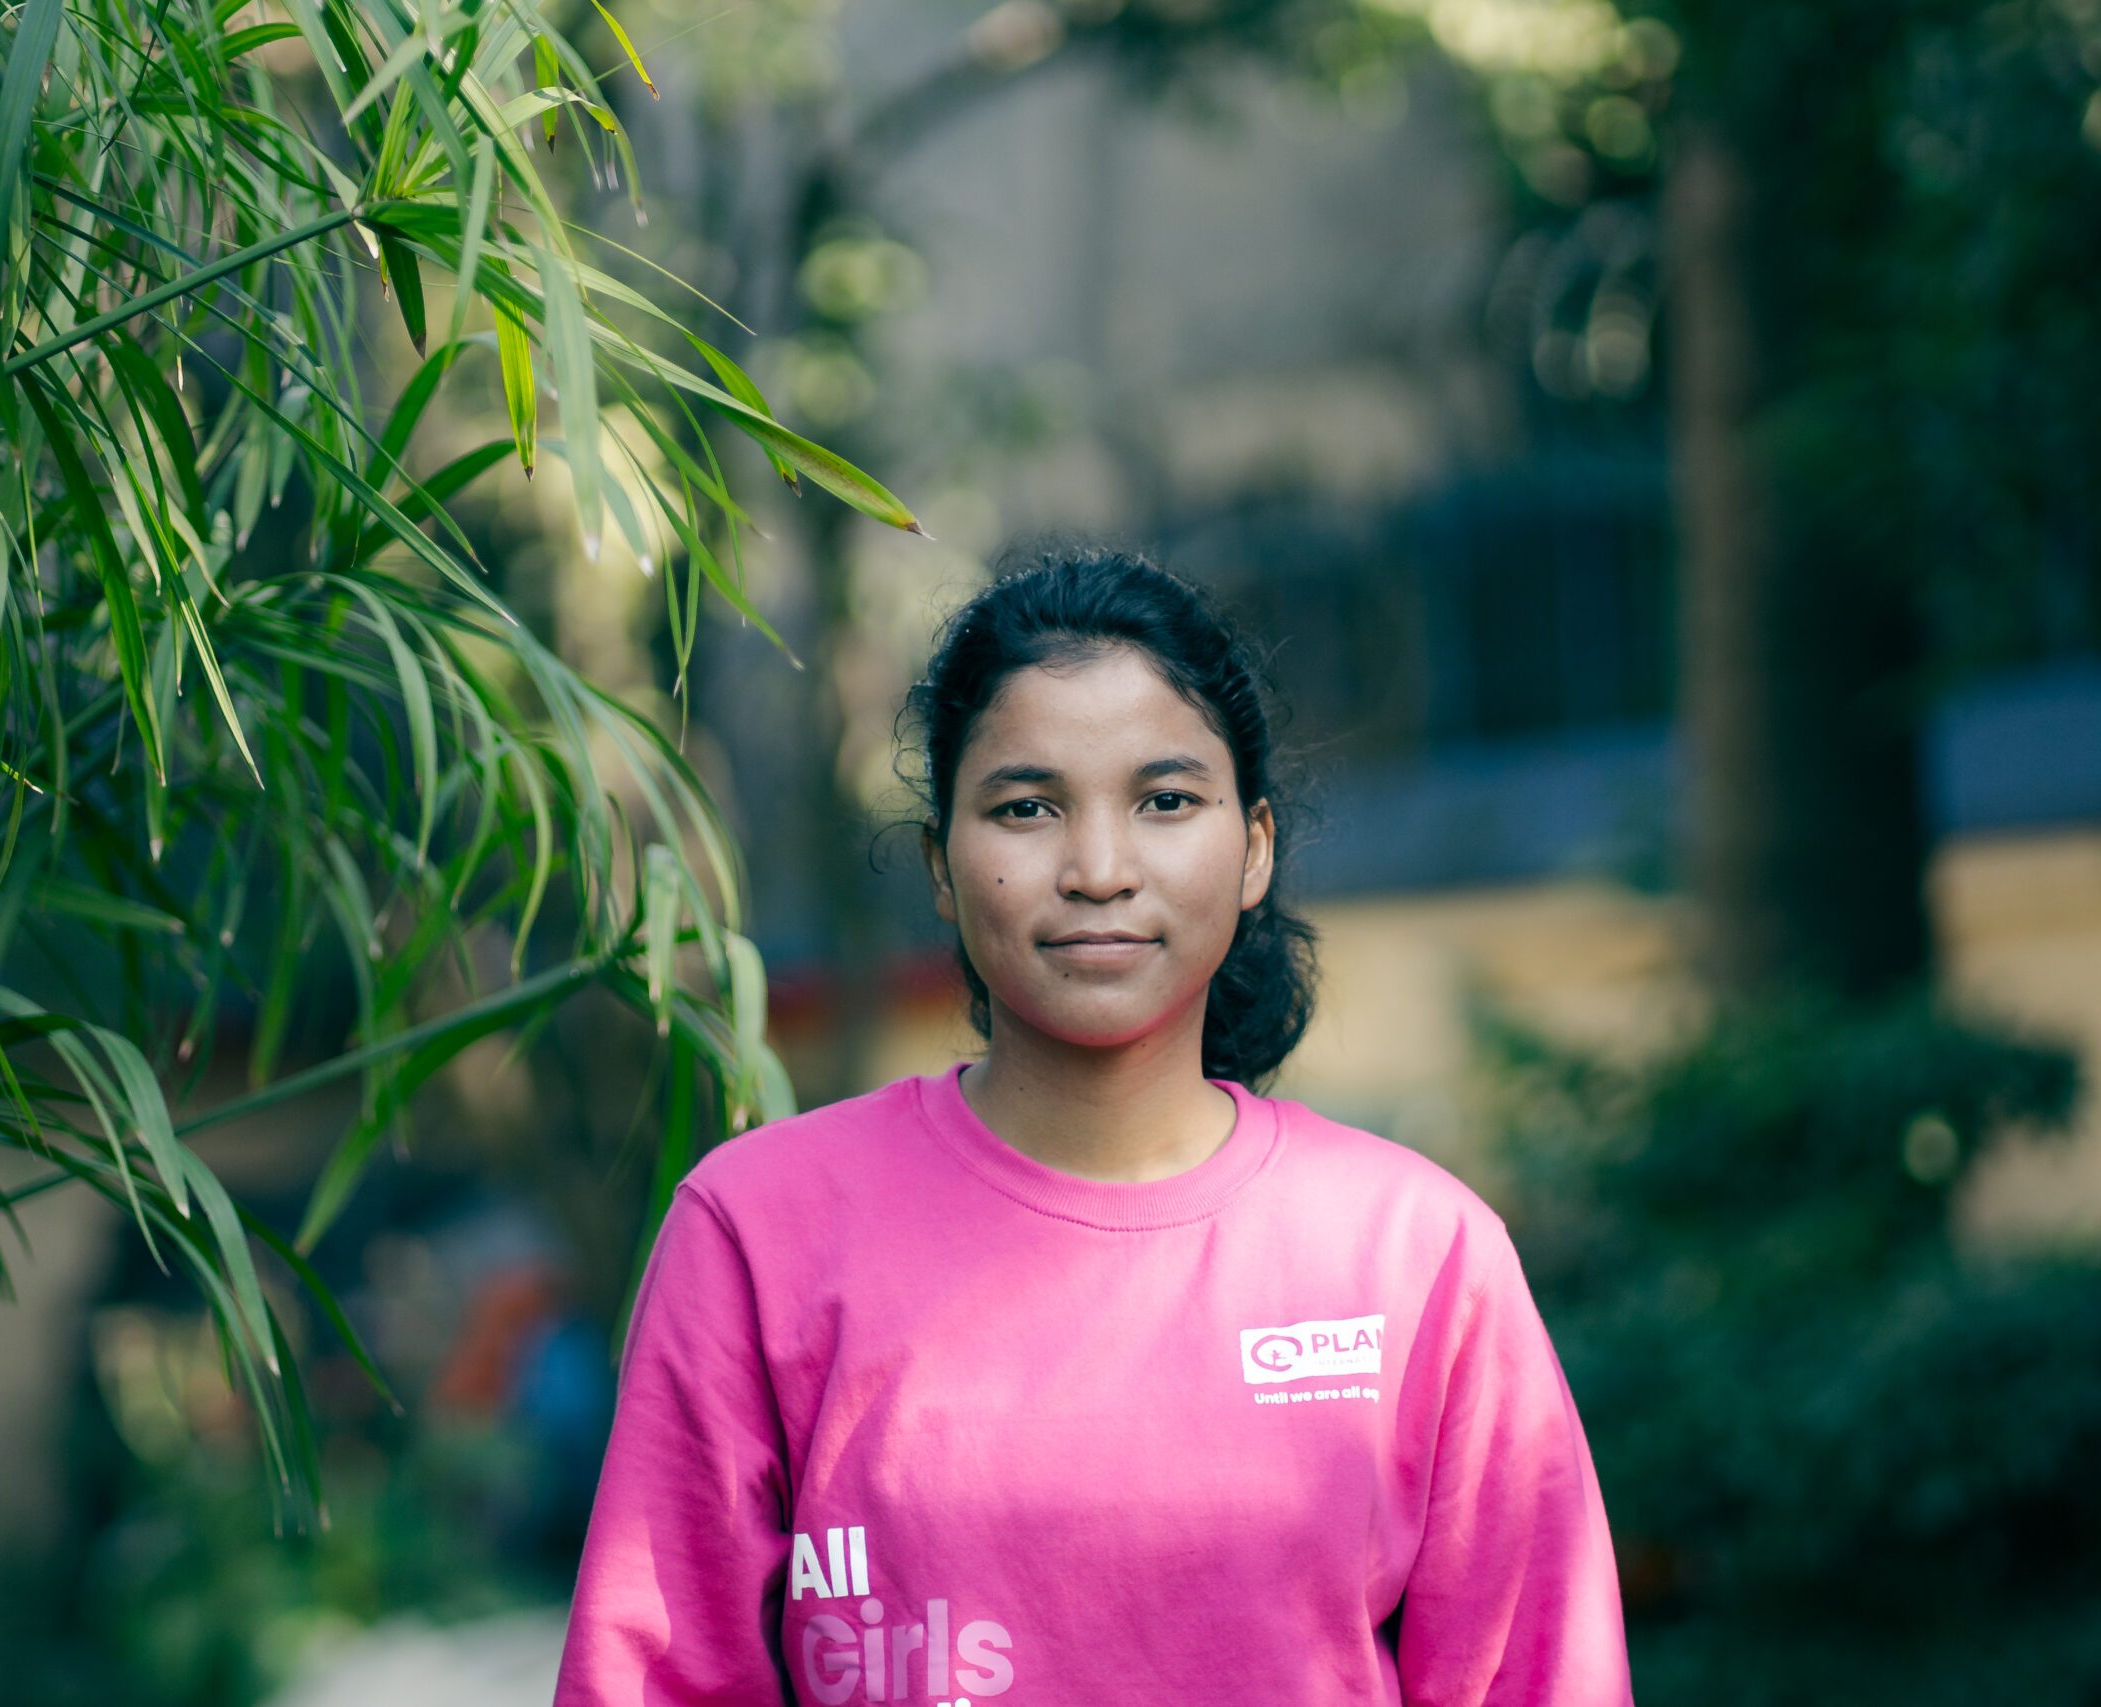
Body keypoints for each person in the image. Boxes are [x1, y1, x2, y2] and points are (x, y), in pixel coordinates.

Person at [551, 545, 1635, 1705]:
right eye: (1026, 808)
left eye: (1165, 801)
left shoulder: (1417, 1257)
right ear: (939, 864)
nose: (1099, 869)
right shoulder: (757, 1233)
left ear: (1254, 848)